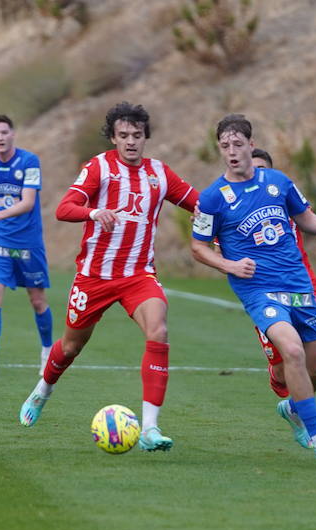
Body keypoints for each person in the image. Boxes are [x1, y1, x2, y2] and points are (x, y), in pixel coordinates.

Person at [18, 102, 198, 449]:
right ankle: (42, 391)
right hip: (94, 276)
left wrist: (217, 220)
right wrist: (94, 211)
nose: (131, 142)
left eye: (137, 135)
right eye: (124, 135)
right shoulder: (99, 167)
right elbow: (63, 208)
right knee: (71, 346)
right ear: (113, 138)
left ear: (146, 137)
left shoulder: (160, 174)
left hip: (138, 275)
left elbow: (199, 203)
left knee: (158, 329)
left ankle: (149, 429)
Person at [191, 114, 316, 464]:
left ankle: (294, 409)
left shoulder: (278, 182)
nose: (231, 152)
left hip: (298, 282)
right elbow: (198, 247)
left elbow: (304, 217)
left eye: (237, 144)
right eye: (224, 146)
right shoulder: (213, 197)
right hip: (258, 289)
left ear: (250, 144)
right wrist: (229, 265)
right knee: (291, 350)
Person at [250, 147, 316, 446]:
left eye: (262, 168)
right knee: (283, 369)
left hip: (302, 288)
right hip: (263, 294)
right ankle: (284, 392)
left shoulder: (283, 195)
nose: (255, 173)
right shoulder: (236, 205)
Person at [0, 114, 52, 376]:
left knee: (37, 300)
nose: (0, 137)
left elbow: (27, 202)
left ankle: (47, 354)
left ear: (13, 134)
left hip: (27, 241)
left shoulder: (29, 161)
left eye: (4, 132)